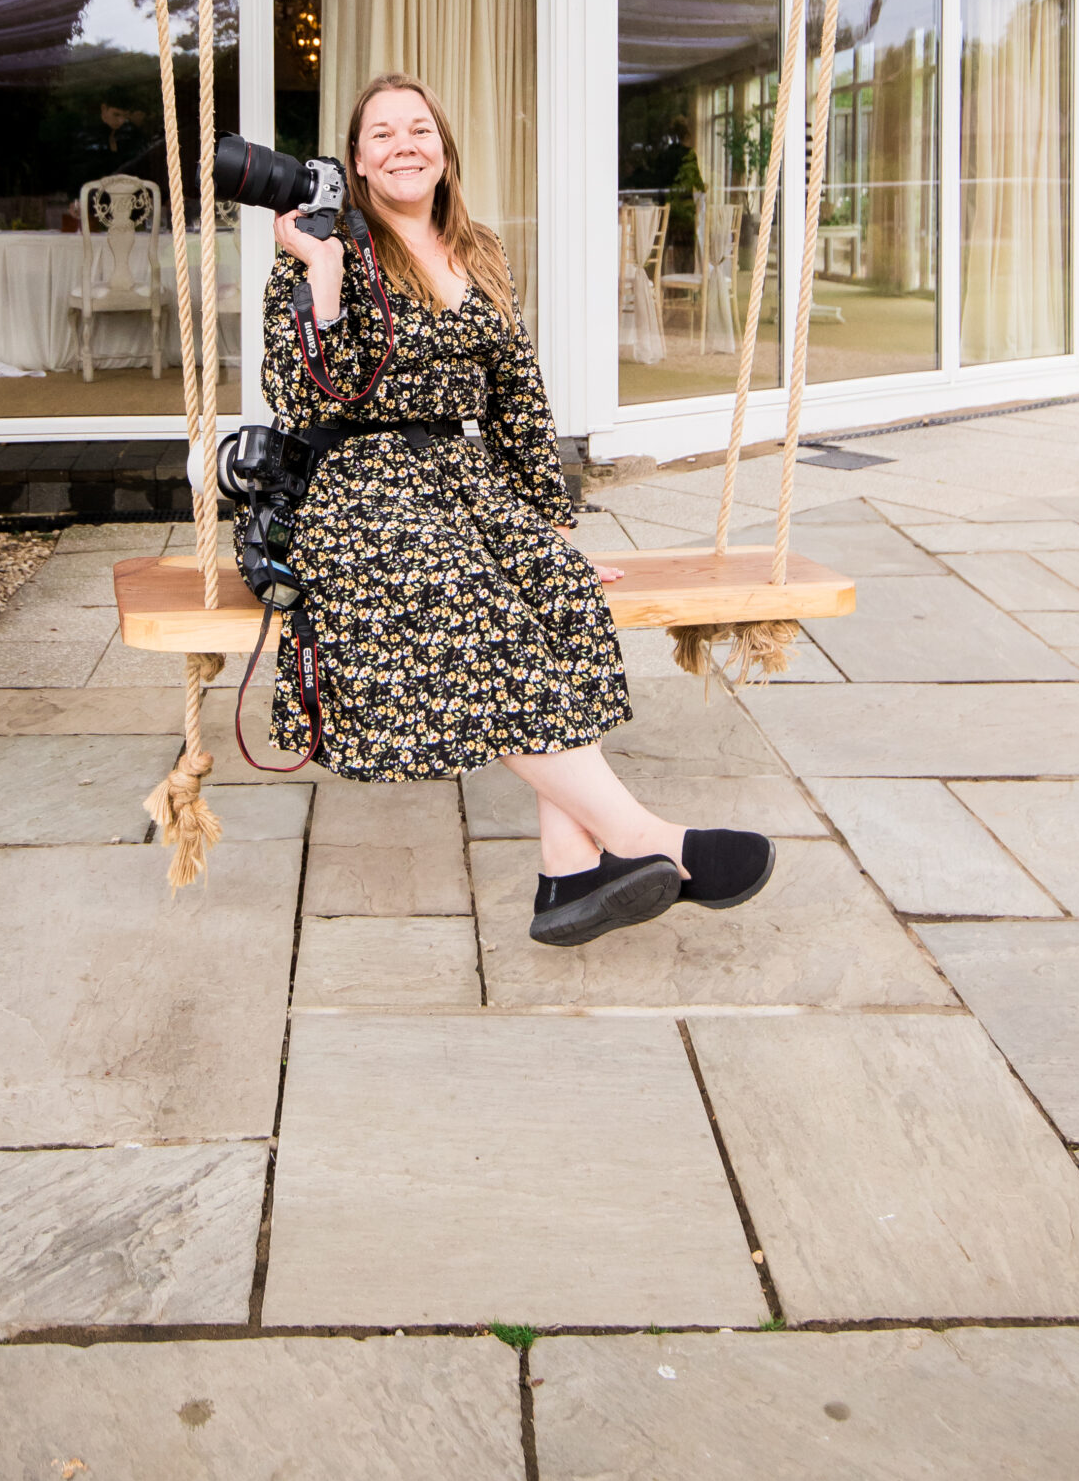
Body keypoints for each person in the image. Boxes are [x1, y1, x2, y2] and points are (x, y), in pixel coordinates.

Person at [256, 70, 776, 947]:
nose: (402, 145)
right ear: (354, 161)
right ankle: (645, 840)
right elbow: (303, 398)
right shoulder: (320, 248)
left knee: (561, 601)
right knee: (480, 617)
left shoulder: (479, 248)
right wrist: (325, 274)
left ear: (443, 148)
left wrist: (546, 526)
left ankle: (567, 877)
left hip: (465, 480)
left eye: (417, 128)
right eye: (380, 134)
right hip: (359, 485)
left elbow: (516, 394)